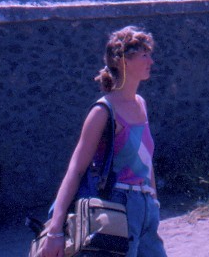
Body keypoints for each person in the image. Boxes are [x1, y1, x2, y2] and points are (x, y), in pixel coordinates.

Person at [42, 26, 167, 257]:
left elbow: (146, 162)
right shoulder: (103, 111)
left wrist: (154, 202)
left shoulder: (141, 104)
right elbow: (76, 170)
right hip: (117, 207)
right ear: (123, 61)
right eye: (144, 55)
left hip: (146, 207)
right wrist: (54, 231)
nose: (151, 61)